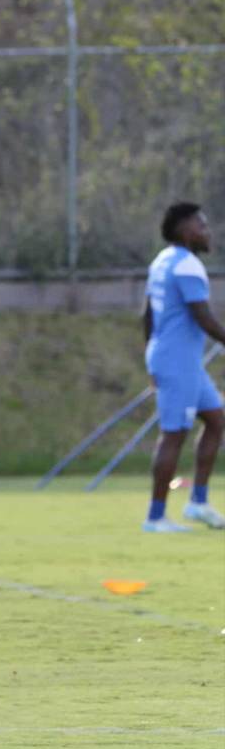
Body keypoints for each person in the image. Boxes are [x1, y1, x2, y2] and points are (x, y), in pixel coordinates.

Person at [140, 202, 225, 532]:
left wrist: (151, 354)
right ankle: (156, 517)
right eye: (201, 226)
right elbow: (203, 317)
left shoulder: (162, 261)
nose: (207, 232)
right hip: (178, 362)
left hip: (178, 360)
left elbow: (147, 313)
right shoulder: (188, 265)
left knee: (216, 420)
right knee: (173, 434)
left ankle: (198, 503)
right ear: (185, 231)